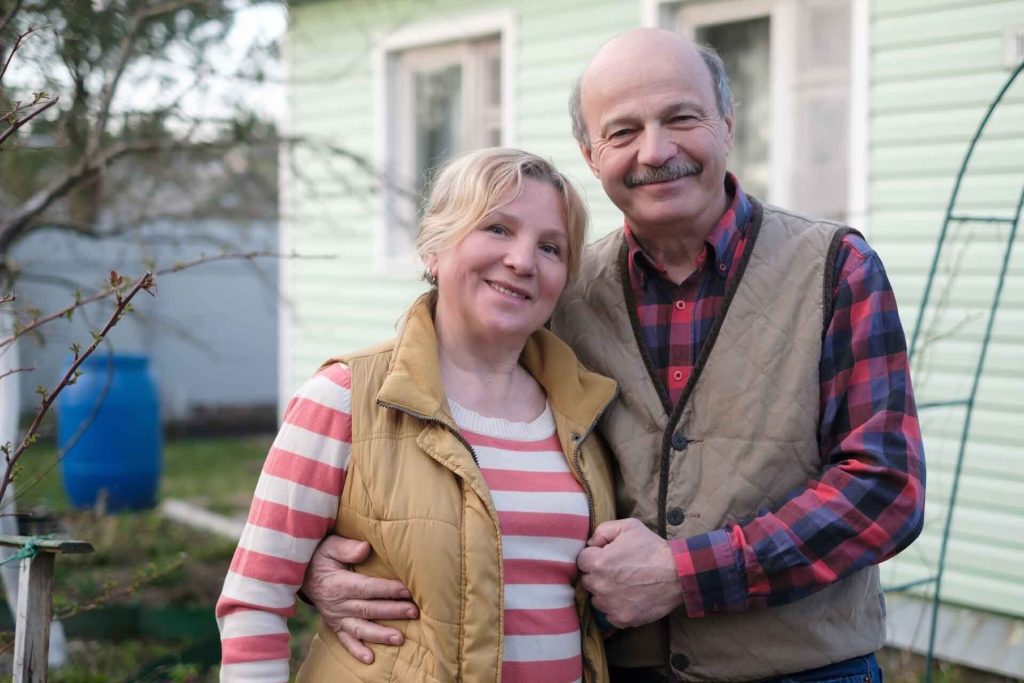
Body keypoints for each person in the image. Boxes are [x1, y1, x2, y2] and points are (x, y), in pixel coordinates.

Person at [302, 29, 926, 683]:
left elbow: (886, 489)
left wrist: (687, 575)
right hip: (615, 668)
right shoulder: (557, 292)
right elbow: (437, 444)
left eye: (680, 118)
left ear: (727, 125)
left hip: (806, 670)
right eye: (623, 131)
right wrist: (317, 560)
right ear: (590, 153)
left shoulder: (835, 268)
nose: (654, 151)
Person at [216, 148, 619, 682]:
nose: (523, 260)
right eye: (497, 229)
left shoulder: (582, 416)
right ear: (434, 248)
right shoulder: (344, 397)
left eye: (550, 247)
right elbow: (255, 599)